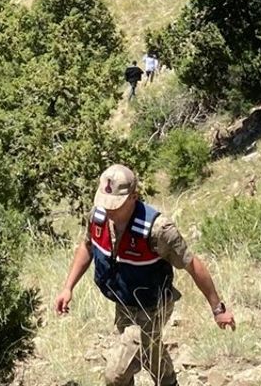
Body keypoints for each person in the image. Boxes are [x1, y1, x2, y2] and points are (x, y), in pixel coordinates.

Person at [54, 165, 236, 386]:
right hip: (124, 302)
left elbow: (192, 264)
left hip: (153, 306)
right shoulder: (97, 217)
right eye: (105, 201)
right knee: (150, 351)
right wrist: (68, 287)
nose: (109, 209)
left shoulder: (158, 230)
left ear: (134, 196)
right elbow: (88, 246)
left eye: (115, 204)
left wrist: (218, 309)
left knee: (116, 375)